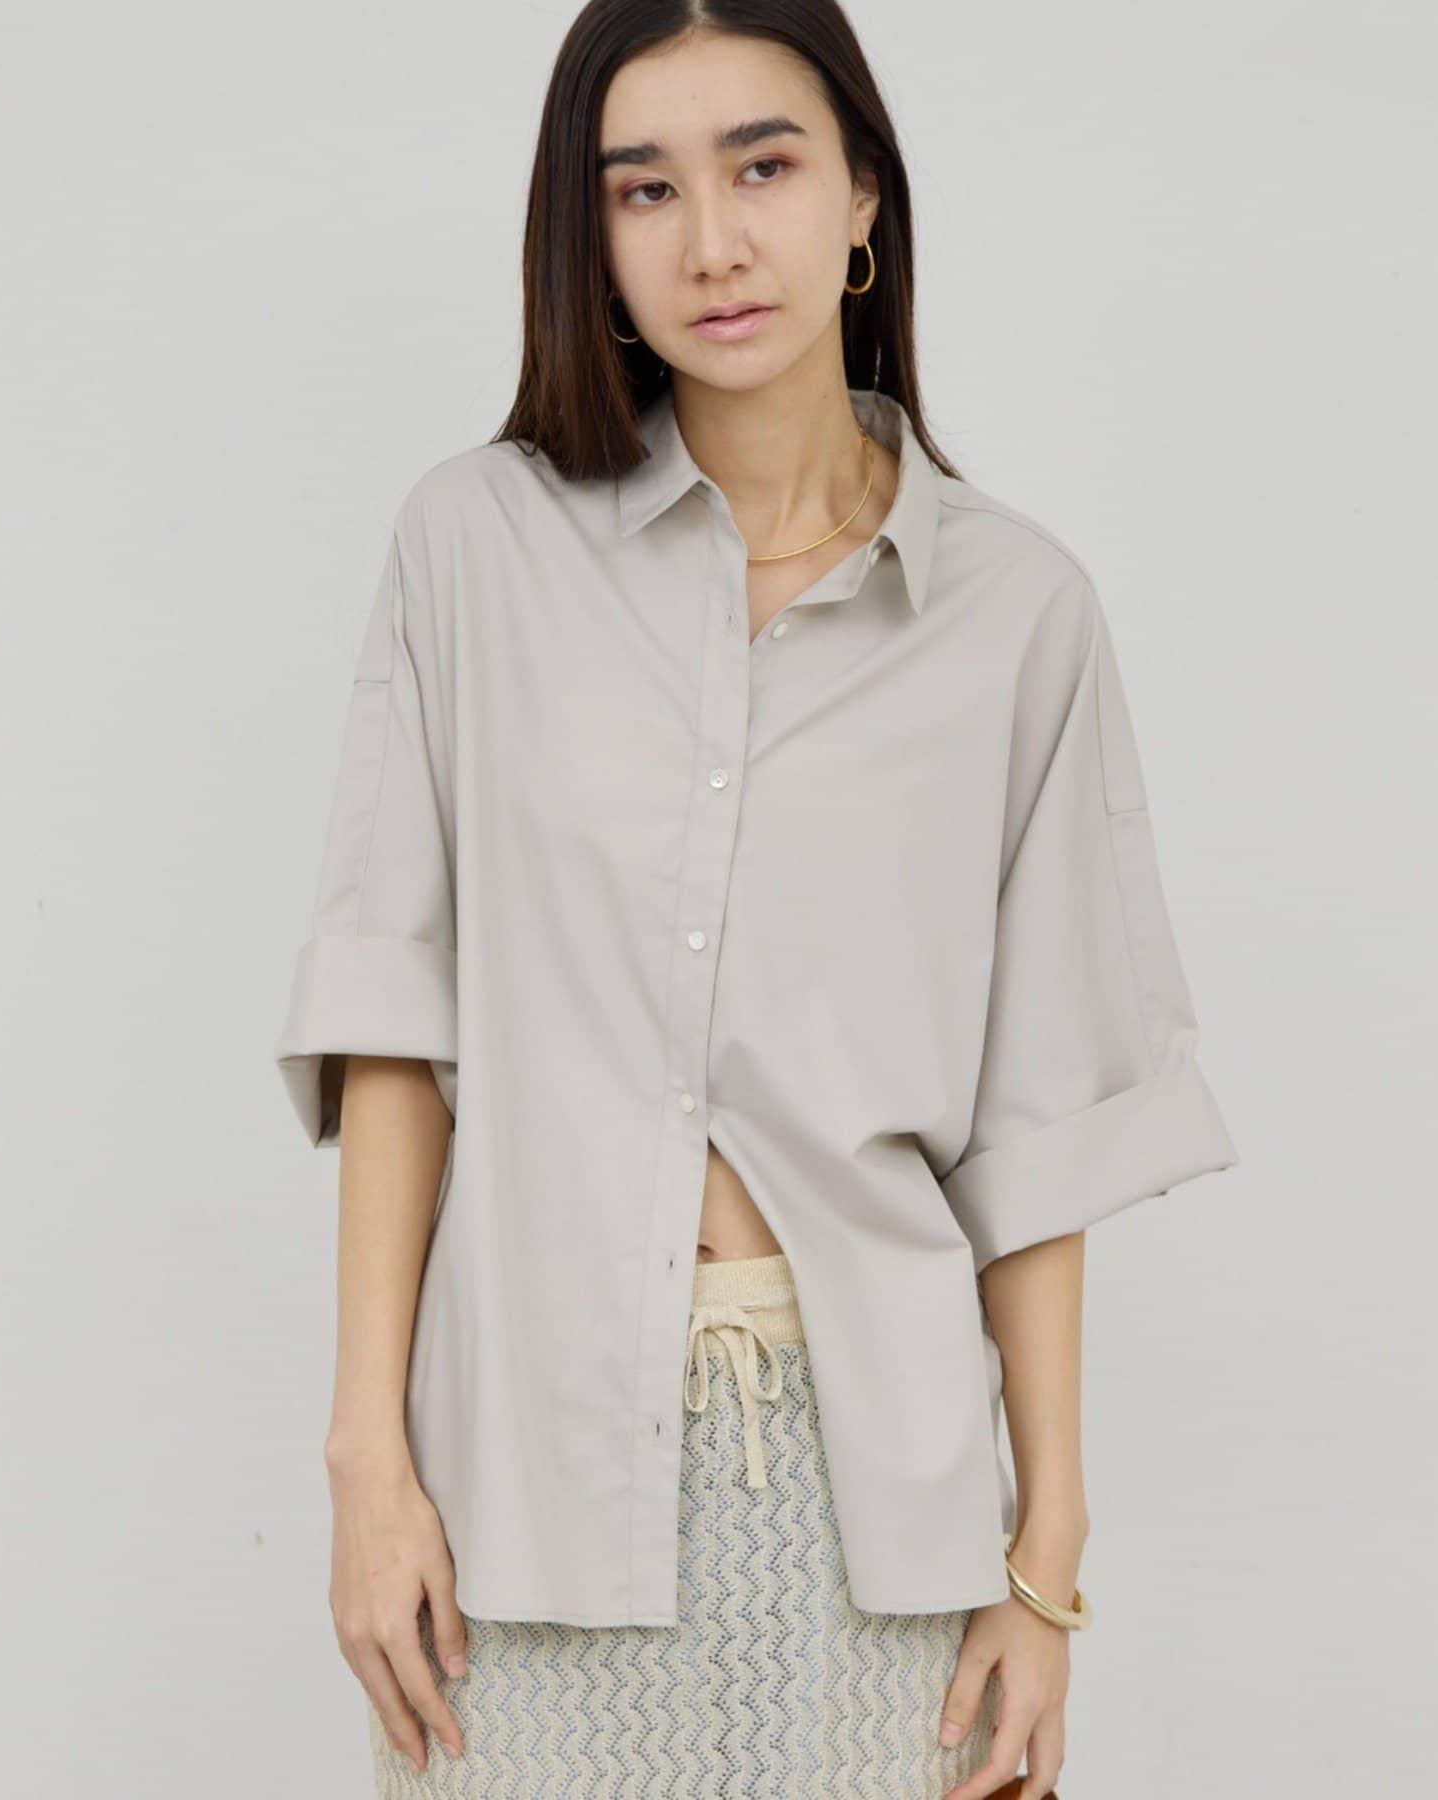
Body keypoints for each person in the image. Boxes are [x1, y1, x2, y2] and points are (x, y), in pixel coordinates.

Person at [273, 4, 1237, 1796]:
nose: (711, 240)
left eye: (764, 166)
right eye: (644, 188)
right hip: (524, 1482)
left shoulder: (1018, 614)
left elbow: (1036, 1131)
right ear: (589, 238)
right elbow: (395, 1018)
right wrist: (366, 1463)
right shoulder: (473, 548)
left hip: (885, 1519)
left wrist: (1046, 1561)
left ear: (863, 195)